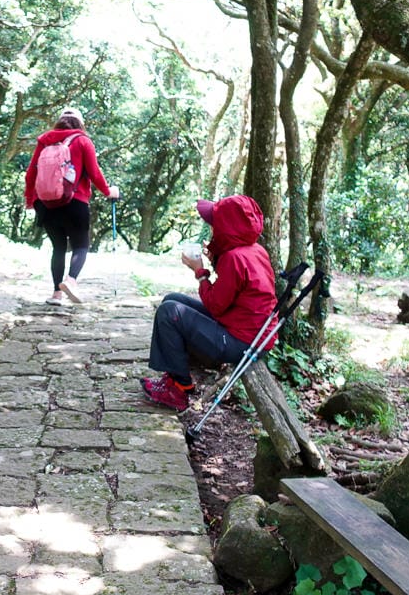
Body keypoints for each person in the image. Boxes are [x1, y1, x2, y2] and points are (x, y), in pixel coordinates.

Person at [141, 194, 278, 412]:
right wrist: (214, 256)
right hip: (249, 332)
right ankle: (175, 376)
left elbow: (215, 305)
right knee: (172, 299)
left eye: (215, 225)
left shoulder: (235, 258)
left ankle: (178, 389)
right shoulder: (254, 250)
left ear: (227, 227)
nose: (212, 229)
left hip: (241, 342)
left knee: (170, 312)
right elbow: (231, 290)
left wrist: (199, 271)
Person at [23, 108, 119, 305]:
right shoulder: (83, 140)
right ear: (80, 123)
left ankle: (56, 294)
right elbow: (94, 172)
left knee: (58, 248)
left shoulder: (44, 140)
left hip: (46, 203)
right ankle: (71, 280)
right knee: (81, 245)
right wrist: (108, 191)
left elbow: (30, 173)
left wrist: (30, 200)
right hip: (75, 201)